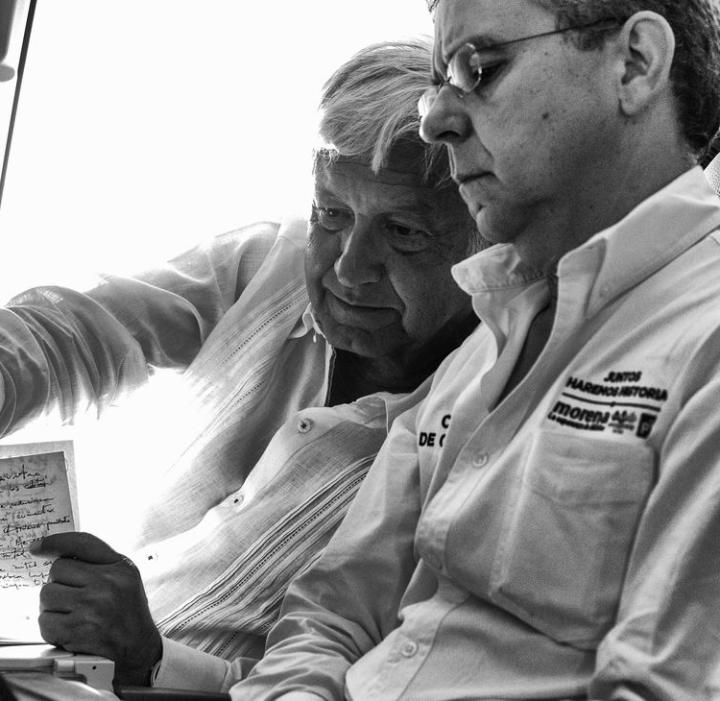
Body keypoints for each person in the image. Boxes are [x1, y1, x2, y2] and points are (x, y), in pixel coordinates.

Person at [0, 39, 481, 688]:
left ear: (485, 232)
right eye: (331, 212)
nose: (347, 265)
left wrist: (153, 659)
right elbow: (75, 330)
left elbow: (363, 681)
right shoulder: (266, 262)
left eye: (403, 234)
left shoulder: (484, 423)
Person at [231, 0, 720, 699]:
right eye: (440, 81)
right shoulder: (493, 324)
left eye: (479, 68)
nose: (433, 121)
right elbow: (329, 614)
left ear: (636, 63)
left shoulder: (704, 337)